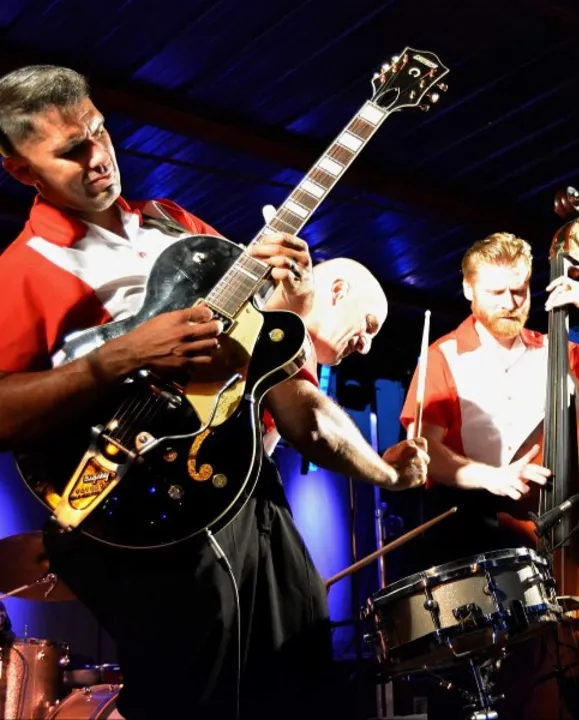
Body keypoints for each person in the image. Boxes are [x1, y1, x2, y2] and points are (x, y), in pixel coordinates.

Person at [0, 64, 428, 720]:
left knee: (304, 691)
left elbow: (284, 389)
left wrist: (288, 311)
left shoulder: (176, 224)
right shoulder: (21, 271)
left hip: (252, 499)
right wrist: (117, 358)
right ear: (19, 169)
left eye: (100, 132)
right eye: (71, 150)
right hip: (142, 524)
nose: (99, 157)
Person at [399, 231, 579, 566]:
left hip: (560, 523)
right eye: (496, 293)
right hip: (474, 532)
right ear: (468, 289)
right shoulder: (442, 356)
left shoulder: (555, 350)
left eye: (519, 291)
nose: (509, 304)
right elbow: (423, 450)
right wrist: (495, 477)